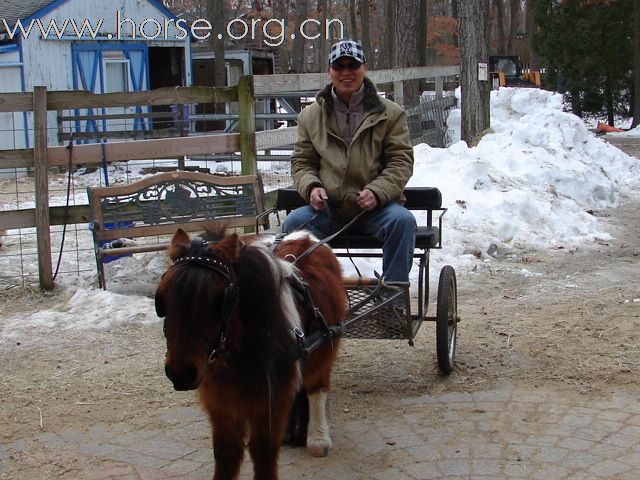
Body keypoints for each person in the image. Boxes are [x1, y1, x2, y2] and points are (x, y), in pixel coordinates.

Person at [283, 40, 416, 282]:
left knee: (402, 221)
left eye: (352, 65)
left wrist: (377, 192)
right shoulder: (310, 116)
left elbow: (401, 161)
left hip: (377, 209)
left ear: (365, 68)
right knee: (293, 224)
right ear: (329, 71)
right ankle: (307, 297)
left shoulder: (391, 113)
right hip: (328, 210)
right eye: (339, 66)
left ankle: (393, 300)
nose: (346, 72)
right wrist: (312, 187)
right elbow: (302, 162)